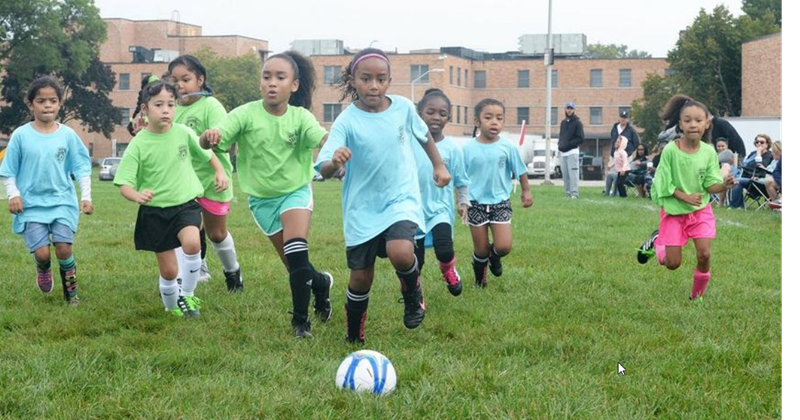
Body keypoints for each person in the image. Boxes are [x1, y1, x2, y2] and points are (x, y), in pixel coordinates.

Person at [315, 48, 452, 344]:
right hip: (362, 208)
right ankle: (354, 336)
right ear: (354, 80)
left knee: (401, 252)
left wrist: (438, 165)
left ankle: (413, 293)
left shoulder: (402, 107)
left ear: (389, 80)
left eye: (381, 79)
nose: (373, 86)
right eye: (366, 79)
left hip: (400, 198)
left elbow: (423, 135)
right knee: (361, 278)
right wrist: (334, 162)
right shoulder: (346, 121)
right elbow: (323, 168)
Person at [200, 51, 335, 338]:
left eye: (280, 77)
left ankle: (301, 323)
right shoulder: (245, 114)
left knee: (297, 249)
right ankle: (321, 284)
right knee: (295, 266)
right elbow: (216, 137)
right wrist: (208, 137)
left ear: (294, 86)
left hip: (297, 191)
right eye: (266, 76)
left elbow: (322, 138)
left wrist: (336, 146)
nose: (272, 83)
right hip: (262, 201)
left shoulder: (300, 117)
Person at [115, 80, 229, 318]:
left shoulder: (184, 132)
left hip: (186, 204)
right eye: (159, 105)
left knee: (193, 243)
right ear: (145, 110)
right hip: (155, 212)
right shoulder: (138, 144)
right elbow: (124, 184)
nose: (166, 110)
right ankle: (171, 307)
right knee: (168, 271)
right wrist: (137, 195)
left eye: (171, 104)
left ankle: (187, 295)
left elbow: (208, 155)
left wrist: (219, 171)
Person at [0, 76, 93, 305]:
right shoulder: (21, 135)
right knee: (42, 253)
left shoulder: (67, 135)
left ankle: (71, 294)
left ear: (60, 103)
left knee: (63, 247)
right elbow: (8, 169)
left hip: (62, 201)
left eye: (53, 100)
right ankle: (43, 268)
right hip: (31, 204)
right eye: (41, 101)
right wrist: (14, 194)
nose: (48, 105)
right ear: (31, 104)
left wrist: (86, 196)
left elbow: (81, 168)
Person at [637, 95, 736, 301]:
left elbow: (710, 184)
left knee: (704, 255)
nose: (693, 124)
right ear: (680, 124)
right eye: (688, 120)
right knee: (672, 264)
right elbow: (662, 182)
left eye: (698, 120)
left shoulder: (709, 152)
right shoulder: (671, 150)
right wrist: (684, 196)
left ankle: (696, 297)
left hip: (700, 211)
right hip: (674, 211)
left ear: (707, 123)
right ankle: (658, 241)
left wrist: (724, 184)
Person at [169, 55, 242, 290]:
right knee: (185, 228)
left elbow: (225, 138)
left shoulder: (211, 105)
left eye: (186, 79)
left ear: (200, 80)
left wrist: (213, 136)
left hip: (213, 179)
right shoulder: (171, 108)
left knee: (217, 233)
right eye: (175, 80)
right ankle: (185, 279)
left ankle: (233, 272)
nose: (180, 85)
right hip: (184, 183)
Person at [463, 98, 534, 288]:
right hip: (474, 203)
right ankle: (480, 281)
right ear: (477, 121)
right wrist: (461, 201)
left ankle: (494, 257)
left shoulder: (508, 147)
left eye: (499, 118)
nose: (494, 122)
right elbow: (460, 178)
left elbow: (520, 170)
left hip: (500, 202)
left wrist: (526, 191)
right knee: (481, 250)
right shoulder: (467, 148)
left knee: (503, 246)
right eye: (488, 117)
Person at [413, 89, 471, 296]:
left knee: (444, 248)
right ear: (419, 112)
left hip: (440, 209)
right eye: (431, 112)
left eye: (442, 113)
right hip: (413, 209)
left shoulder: (453, 148)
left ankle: (448, 270)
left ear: (448, 117)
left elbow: (462, 180)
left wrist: (463, 202)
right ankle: (414, 286)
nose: (436, 117)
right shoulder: (409, 143)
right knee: (414, 259)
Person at [728, 134, 775, 209]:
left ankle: (735, 206)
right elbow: (745, 165)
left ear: (767, 144)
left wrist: (759, 153)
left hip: (758, 180)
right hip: (745, 175)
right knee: (730, 178)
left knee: (737, 181)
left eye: (762, 142)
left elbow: (760, 167)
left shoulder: (769, 155)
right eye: (757, 142)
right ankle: (737, 205)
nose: (759, 144)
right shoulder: (753, 153)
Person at [558, 102, 584, 199]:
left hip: (572, 152)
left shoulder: (578, 123)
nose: (569, 110)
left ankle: (574, 193)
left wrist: (569, 144)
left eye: (571, 108)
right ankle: (567, 193)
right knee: (565, 174)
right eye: (567, 108)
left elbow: (581, 138)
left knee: (573, 174)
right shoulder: (563, 123)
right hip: (563, 152)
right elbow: (561, 135)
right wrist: (560, 144)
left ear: (574, 110)